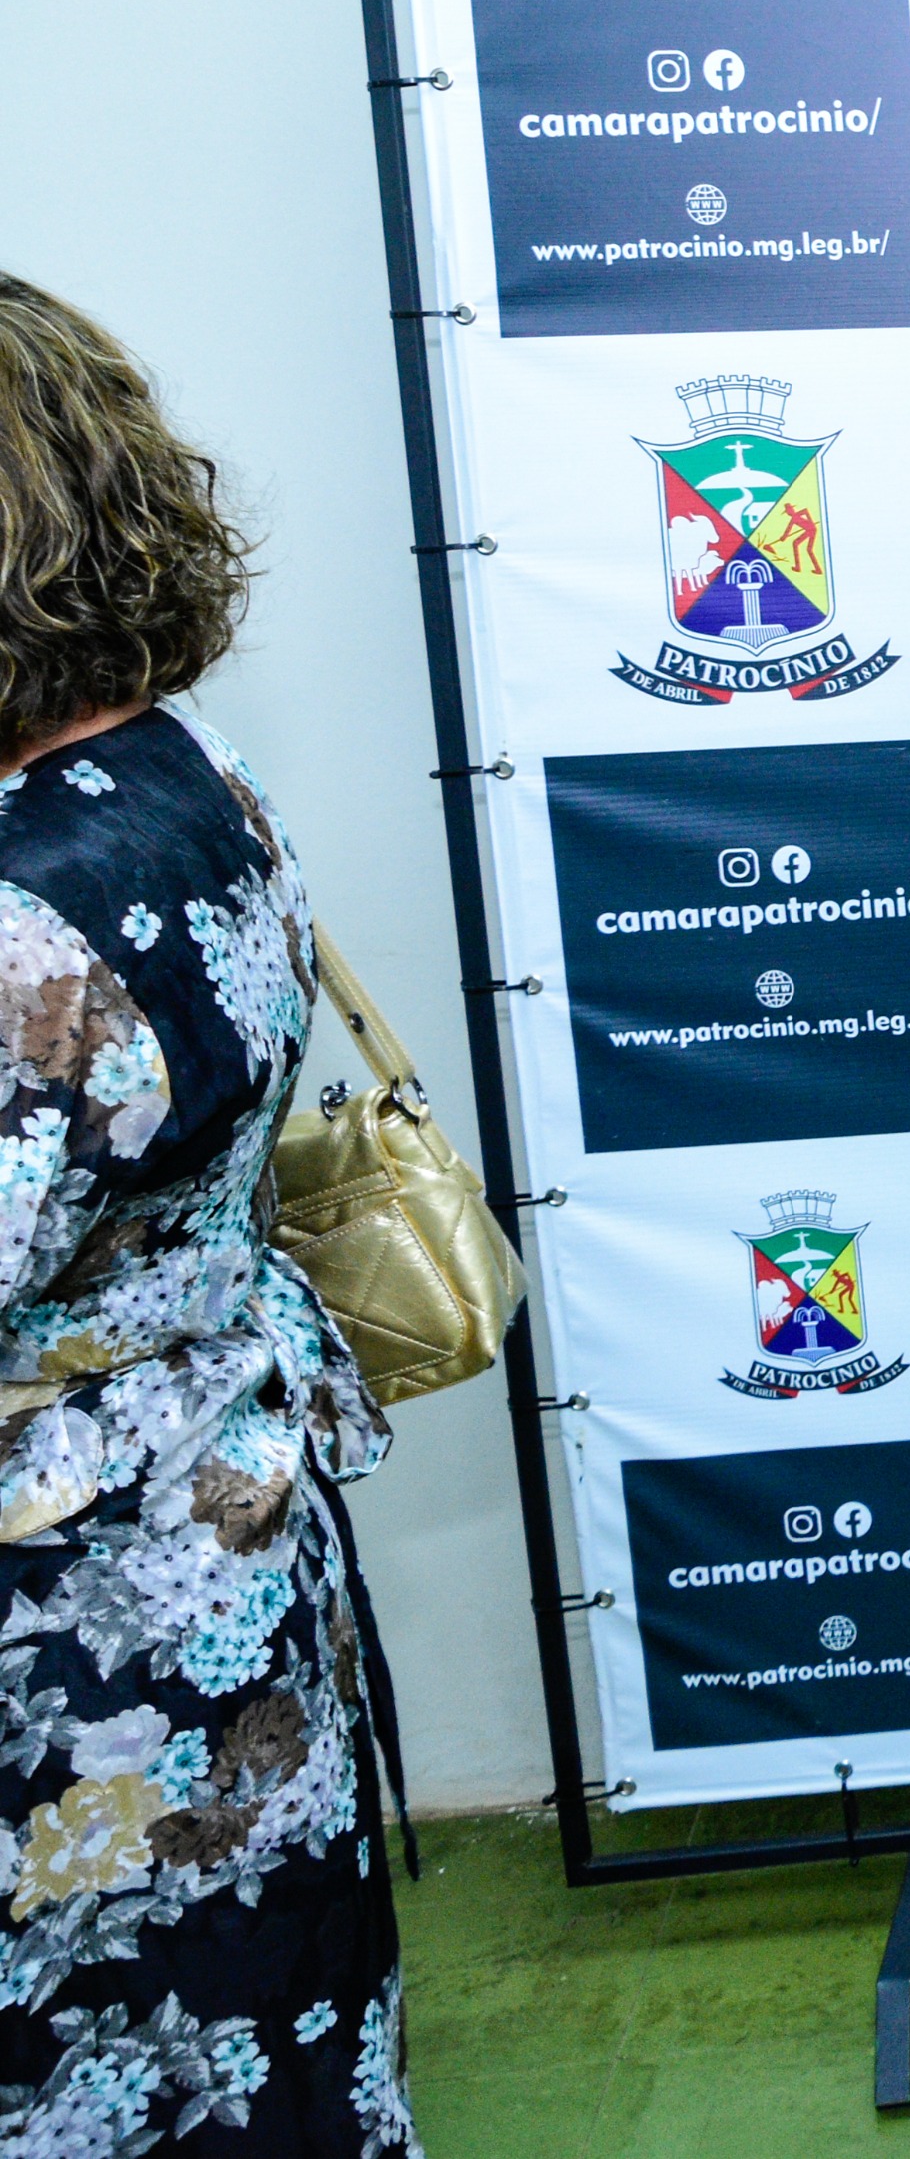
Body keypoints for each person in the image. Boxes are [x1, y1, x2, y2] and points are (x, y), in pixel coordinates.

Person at [0, 275, 413, 2151]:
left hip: (79, 1651)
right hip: (230, 1544)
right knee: (277, 2046)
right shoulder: (184, 764)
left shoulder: (21, 925)